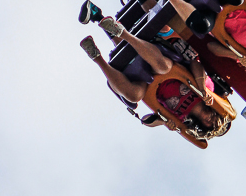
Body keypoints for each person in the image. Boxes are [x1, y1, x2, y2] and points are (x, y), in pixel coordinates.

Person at [79, 16, 232, 144]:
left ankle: (96, 56)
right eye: (215, 119)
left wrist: (164, 122)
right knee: (163, 67)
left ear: (202, 126)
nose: (211, 119)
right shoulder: (208, 92)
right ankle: (122, 33)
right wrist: (202, 88)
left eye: (210, 124)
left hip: (148, 82)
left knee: (134, 95)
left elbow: (145, 120)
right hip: (164, 63)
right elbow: (195, 64)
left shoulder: (182, 118)